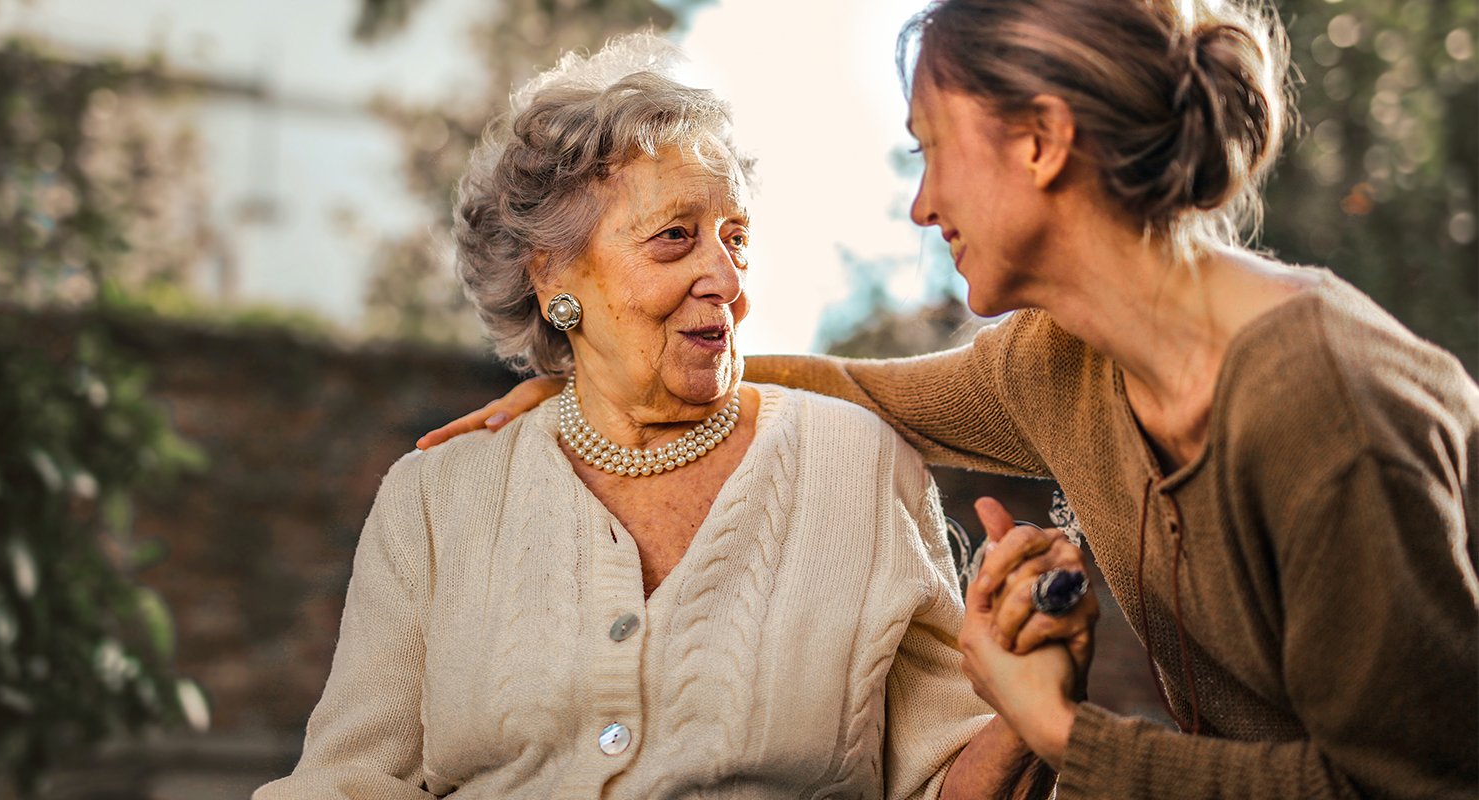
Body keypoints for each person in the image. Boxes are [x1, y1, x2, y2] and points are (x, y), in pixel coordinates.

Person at [419, 2, 1479, 798]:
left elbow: (1413, 783)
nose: (922, 204)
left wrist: (1064, 733)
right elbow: (851, 387)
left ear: (1041, 140)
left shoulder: (1325, 408)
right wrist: (596, 384)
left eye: (932, 150)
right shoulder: (1059, 362)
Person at [256, 34, 1053, 800]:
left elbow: (945, 782)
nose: (725, 278)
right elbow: (349, 780)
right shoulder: (434, 500)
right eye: (675, 238)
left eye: (735, 238)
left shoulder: (859, 466)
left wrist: (1028, 713)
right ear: (553, 273)